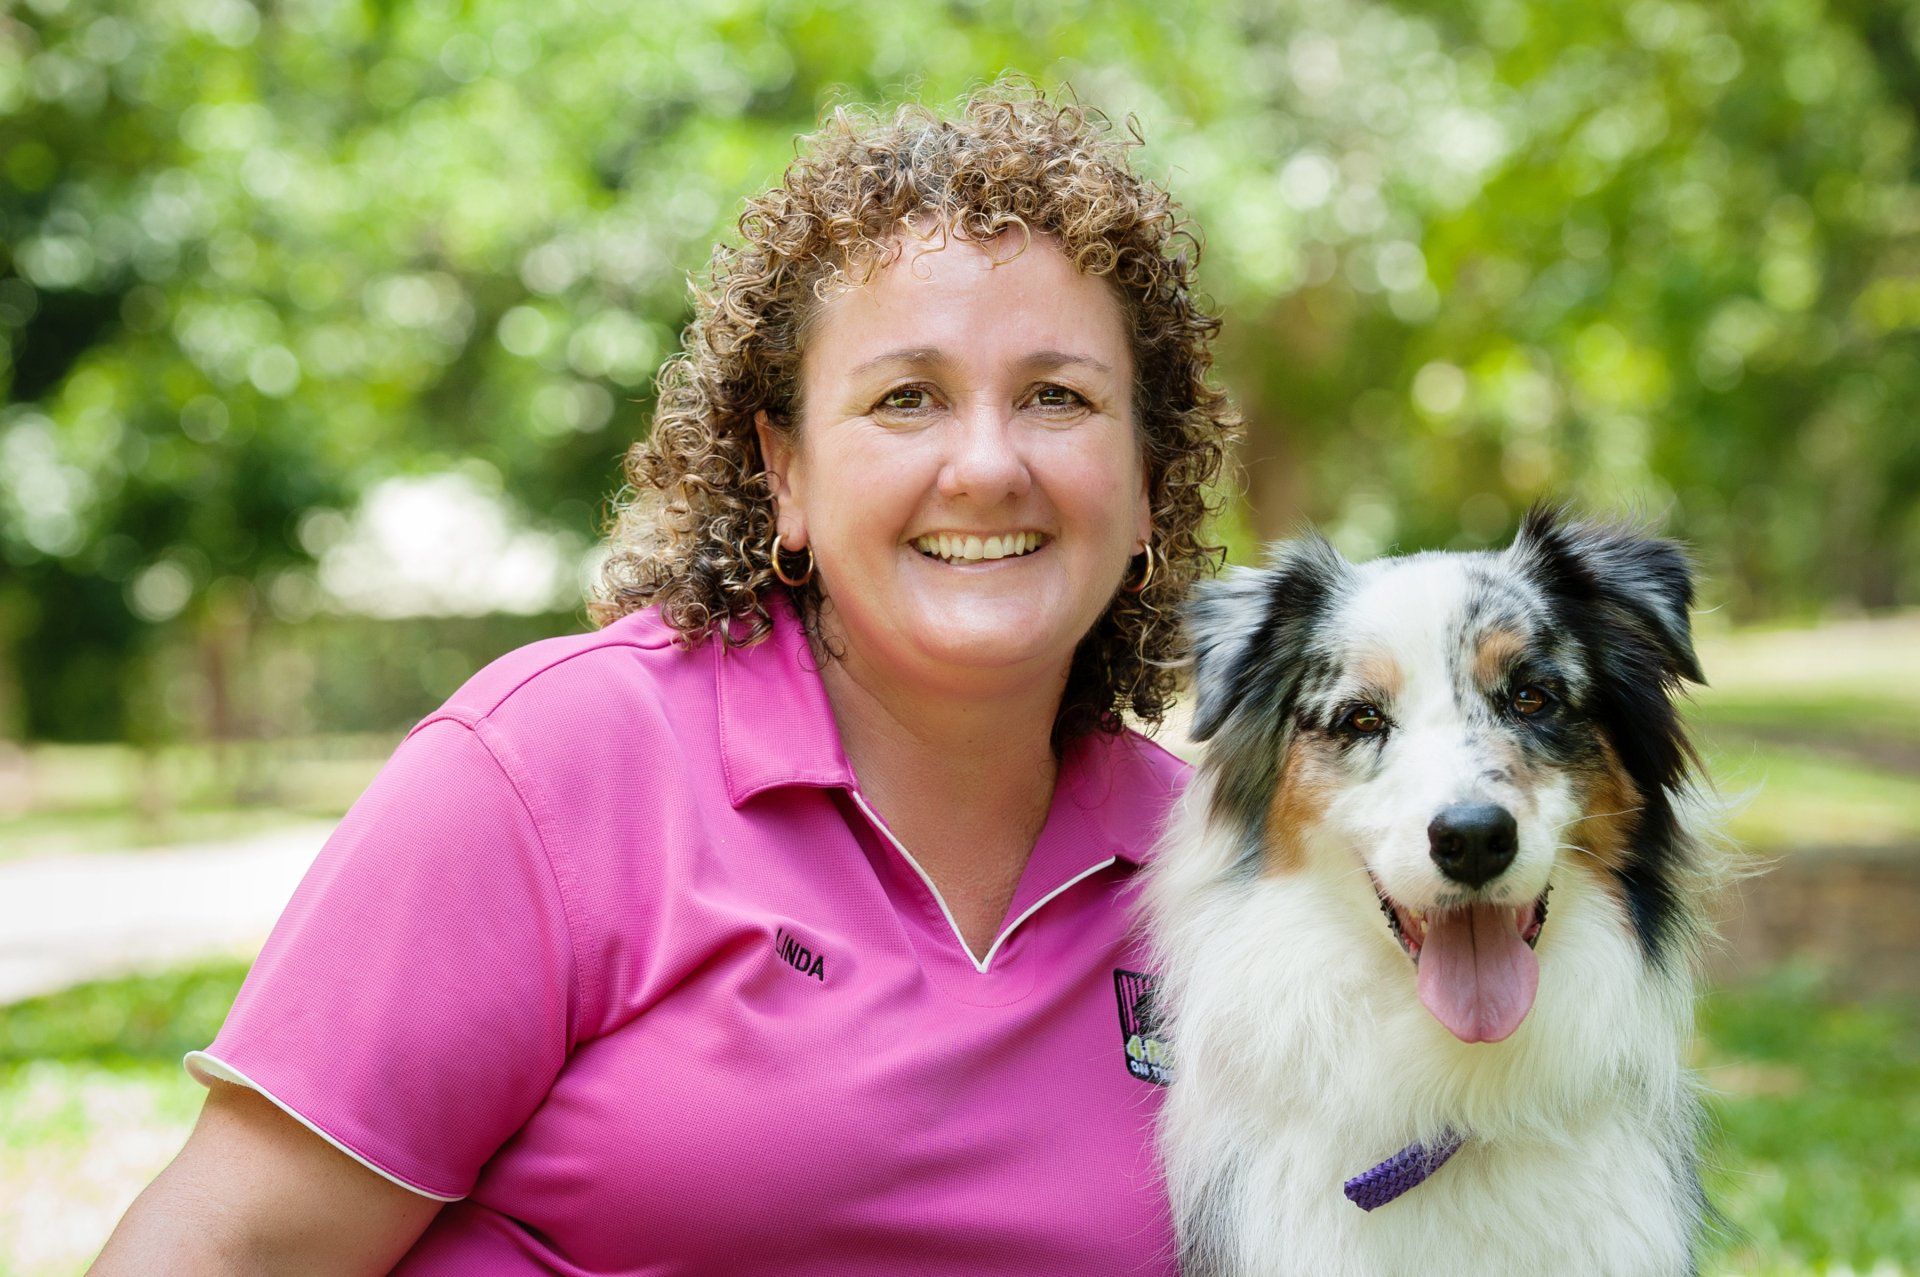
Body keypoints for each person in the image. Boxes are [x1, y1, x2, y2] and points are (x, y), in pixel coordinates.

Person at [91, 78, 1239, 1276]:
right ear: (783, 469)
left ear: (1149, 476)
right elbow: (225, 1251)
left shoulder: (1226, 870)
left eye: (1060, 397)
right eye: (908, 398)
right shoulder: (552, 768)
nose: (988, 462)